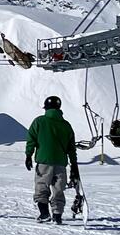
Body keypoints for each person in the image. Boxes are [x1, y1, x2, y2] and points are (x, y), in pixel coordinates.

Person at [25, 96, 79, 224]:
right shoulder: (66, 125)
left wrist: (28, 155)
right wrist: (74, 165)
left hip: (44, 162)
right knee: (58, 189)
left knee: (41, 187)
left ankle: (44, 214)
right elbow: (71, 148)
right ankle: (57, 216)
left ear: (46, 108)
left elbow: (31, 140)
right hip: (61, 163)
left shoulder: (39, 121)